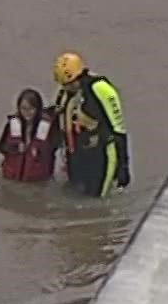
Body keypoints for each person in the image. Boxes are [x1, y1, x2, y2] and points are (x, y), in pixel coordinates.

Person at [53, 50, 132, 198]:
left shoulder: (101, 88)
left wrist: (123, 167)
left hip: (103, 153)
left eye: (69, 84)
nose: (66, 88)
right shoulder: (65, 93)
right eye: (64, 85)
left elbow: (118, 128)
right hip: (78, 153)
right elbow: (61, 121)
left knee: (98, 198)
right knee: (74, 194)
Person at [0, 88, 58, 183]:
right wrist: (14, 148)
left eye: (31, 109)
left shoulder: (48, 128)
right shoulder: (12, 125)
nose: (27, 112)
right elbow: (1, 147)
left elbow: (54, 150)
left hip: (37, 183)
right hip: (11, 180)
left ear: (38, 109)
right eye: (24, 108)